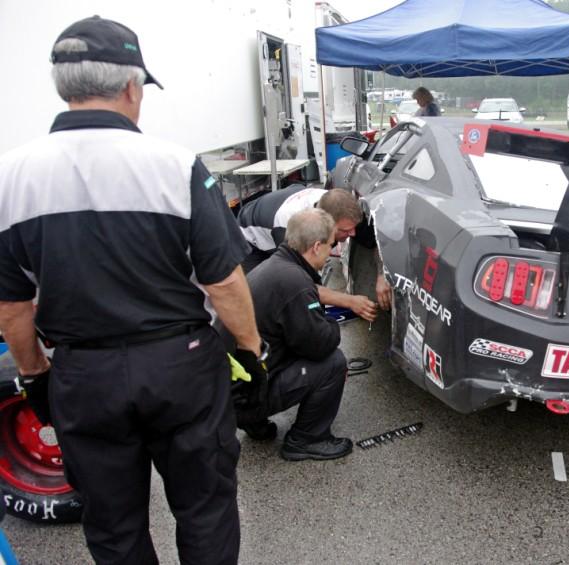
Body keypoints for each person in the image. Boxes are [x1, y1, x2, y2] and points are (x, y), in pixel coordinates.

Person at [0, 16, 264, 564]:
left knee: (113, 525)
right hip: (180, 366)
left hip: (83, 373)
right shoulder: (174, 165)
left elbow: (12, 306)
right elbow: (223, 280)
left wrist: (34, 376)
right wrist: (250, 349)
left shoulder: (11, 175)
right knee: (205, 508)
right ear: (129, 86)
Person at [241, 208, 352, 460]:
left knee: (285, 342)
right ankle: (306, 439)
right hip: (247, 396)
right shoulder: (296, 284)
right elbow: (320, 344)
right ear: (315, 247)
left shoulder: (272, 266)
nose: (330, 251)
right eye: (330, 245)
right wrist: (329, 323)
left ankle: (255, 424)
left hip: (232, 388)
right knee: (333, 363)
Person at [238, 185, 392, 317]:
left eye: (353, 228)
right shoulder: (291, 228)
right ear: (328, 225)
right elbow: (297, 283)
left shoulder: (340, 210)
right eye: (346, 230)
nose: (353, 234)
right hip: (250, 240)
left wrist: (381, 274)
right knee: (261, 300)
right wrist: (350, 301)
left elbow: (377, 242)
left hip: (281, 206)